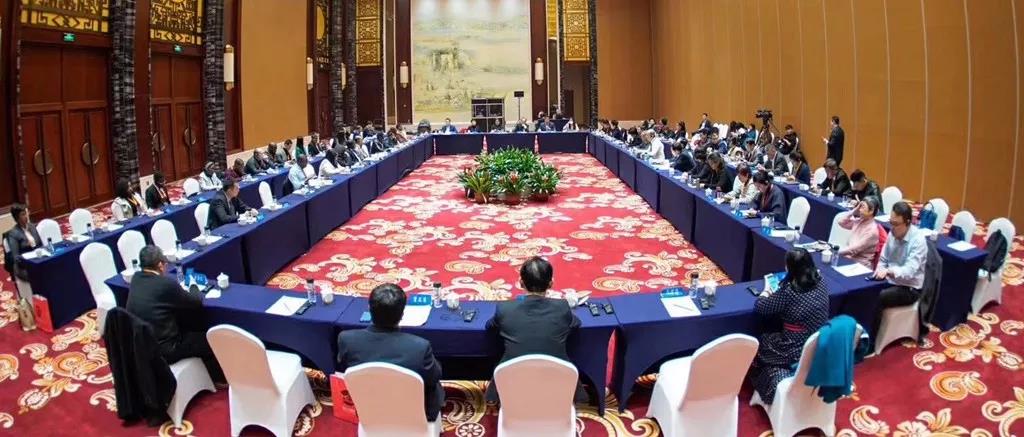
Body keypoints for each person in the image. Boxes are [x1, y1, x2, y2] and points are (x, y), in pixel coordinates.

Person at [336, 284, 443, 421]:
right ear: (402, 314)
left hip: (369, 409)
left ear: (369, 309)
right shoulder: (420, 347)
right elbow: (434, 377)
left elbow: (344, 368)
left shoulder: (346, 339)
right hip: (417, 413)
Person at [486, 256, 581, 401]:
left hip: (512, 386)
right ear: (551, 284)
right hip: (557, 386)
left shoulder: (505, 309)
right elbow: (576, 324)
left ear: (521, 283)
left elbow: (490, 327)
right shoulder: (562, 308)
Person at [127, 245, 223, 381]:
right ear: (160, 265)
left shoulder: (135, 279)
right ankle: (218, 379)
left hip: (142, 347)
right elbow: (196, 302)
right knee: (209, 338)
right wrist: (193, 285)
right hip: (166, 348)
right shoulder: (164, 283)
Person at [748, 247, 830, 404]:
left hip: (793, 348)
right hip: (820, 342)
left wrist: (766, 292)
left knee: (762, 342)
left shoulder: (790, 291)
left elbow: (761, 307)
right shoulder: (821, 281)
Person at [870, 202, 927, 339]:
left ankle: (872, 340)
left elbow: (909, 271)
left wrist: (888, 271)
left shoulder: (918, 241)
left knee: (879, 297)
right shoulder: (892, 233)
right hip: (890, 279)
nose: (892, 227)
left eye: (896, 224)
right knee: (865, 290)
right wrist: (880, 270)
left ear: (907, 222)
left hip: (909, 288)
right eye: (891, 222)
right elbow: (883, 259)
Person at [837, 196, 883, 268]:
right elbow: (841, 222)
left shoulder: (872, 231)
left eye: (862, 207)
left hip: (861, 265)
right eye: (859, 206)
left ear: (871, 211)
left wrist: (835, 252)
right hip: (849, 259)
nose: (859, 209)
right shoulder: (859, 221)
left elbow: (854, 249)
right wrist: (853, 211)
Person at [4, 204, 42, 282]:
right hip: (24, 266)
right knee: (40, 274)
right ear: (17, 218)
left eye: (26, 213)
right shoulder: (13, 234)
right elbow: (16, 257)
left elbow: (40, 245)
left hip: (38, 260)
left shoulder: (32, 226)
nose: (26, 216)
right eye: (23, 214)